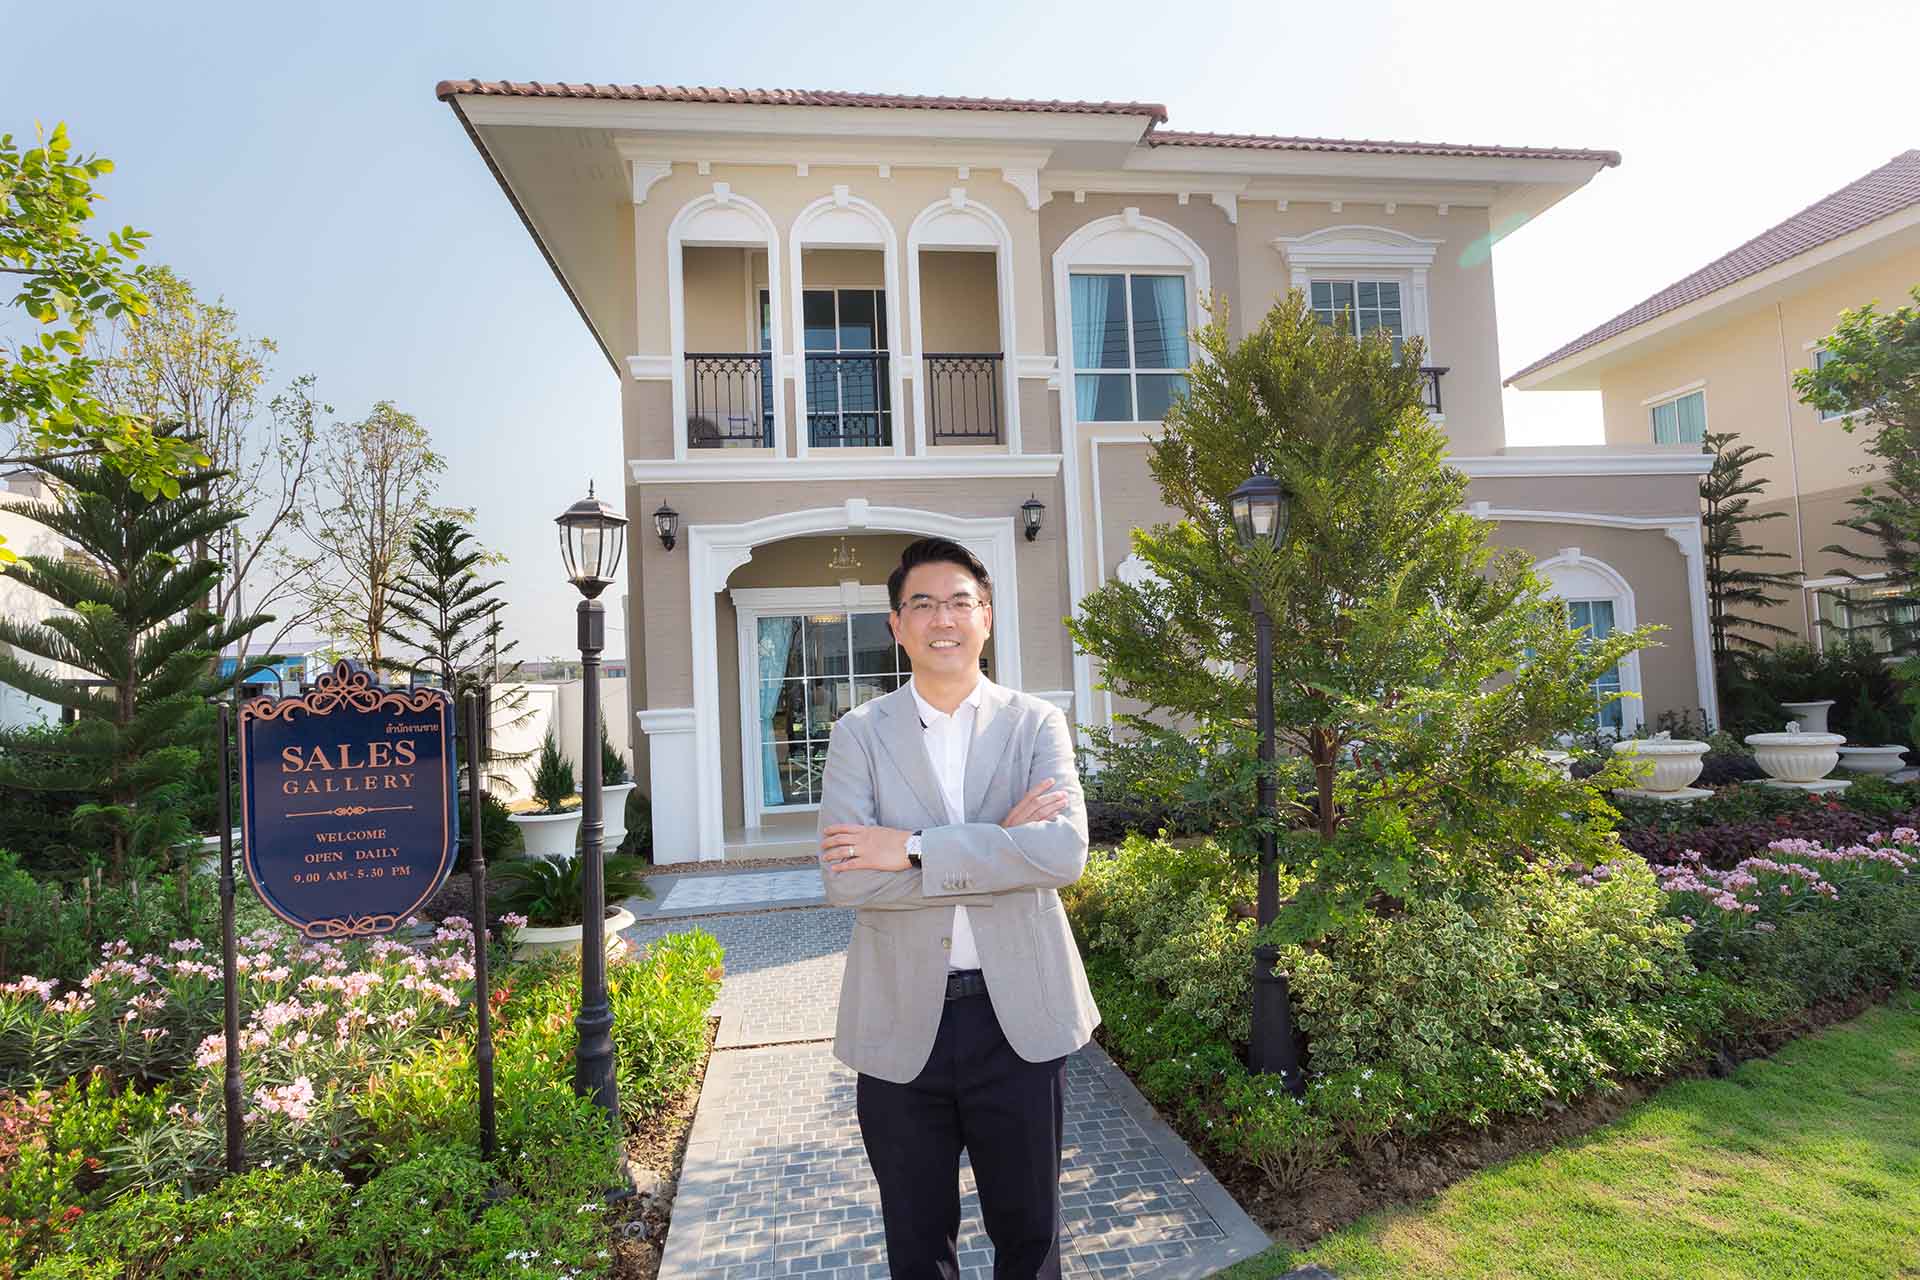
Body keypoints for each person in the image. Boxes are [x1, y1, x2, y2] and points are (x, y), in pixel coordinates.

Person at [817, 536, 1100, 1279]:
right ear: (896, 624)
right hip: (898, 1020)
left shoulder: (1036, 724)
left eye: (959, 602)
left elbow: (1063, 854)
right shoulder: (858, 735)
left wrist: (910, 848)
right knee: (916, 1246)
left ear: (987, 617)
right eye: (923, 604)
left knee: (1031, 1237)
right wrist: (1001, 846)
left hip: (1021, 1019)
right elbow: (847, 881)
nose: (943, 618)